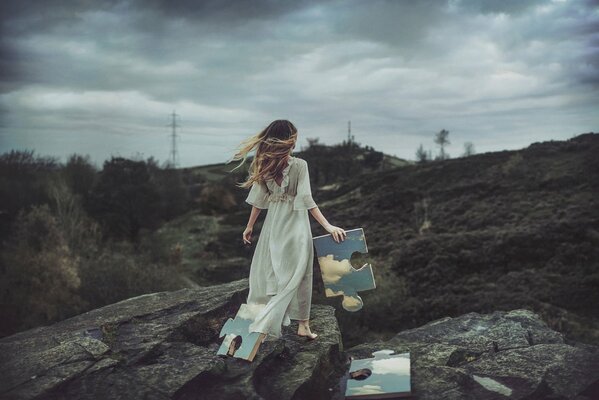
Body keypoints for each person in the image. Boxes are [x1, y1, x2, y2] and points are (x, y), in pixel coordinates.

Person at [228, 119, 346, 341]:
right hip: (295, 225)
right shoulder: (300, 165)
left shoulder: (263, 165)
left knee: (273, 270)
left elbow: (259, 200)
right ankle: (302, 325)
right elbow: (306, 199)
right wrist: (328, 226)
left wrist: (250, 226)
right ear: (289, 140)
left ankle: (270, 320)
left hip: (273, 224)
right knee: (300, 272)